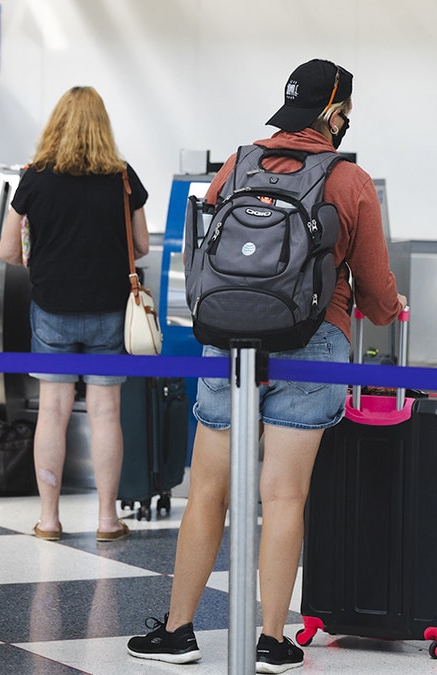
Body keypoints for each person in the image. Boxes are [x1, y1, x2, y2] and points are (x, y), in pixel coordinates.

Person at [127, 59, 406, 673]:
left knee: (206, 492)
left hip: (228, 342)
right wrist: (389, 307)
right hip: (313, 345)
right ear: (335, 114)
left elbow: (206, 247)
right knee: (283, 497)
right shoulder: (349, 180)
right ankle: (273, 640)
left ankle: (178, 632)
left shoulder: (238, 163)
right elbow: (379, 294)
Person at [0, 86, 149, 542]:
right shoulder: (122, 177)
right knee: (105, 414)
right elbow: (140, 246)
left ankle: (49, 519)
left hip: (52, 309)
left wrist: (47, 261)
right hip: (109, 310)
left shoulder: (35, 177)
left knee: (53, 412)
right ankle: (107, 519)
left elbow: (8, 250)